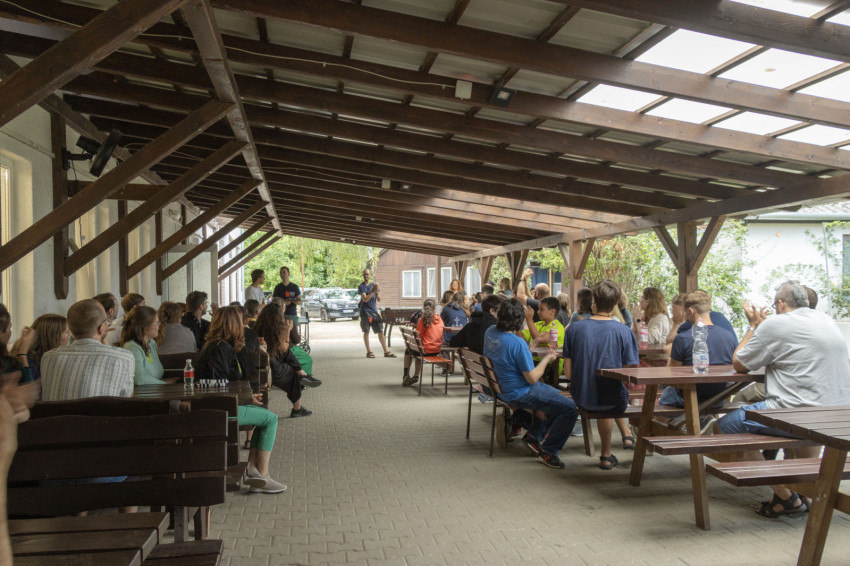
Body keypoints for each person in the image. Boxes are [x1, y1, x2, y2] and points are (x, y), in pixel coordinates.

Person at [717, 281, 850, 517]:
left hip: (797, 412)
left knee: (725, 427)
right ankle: (808, 494)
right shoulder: (825, 320)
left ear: (780, 304)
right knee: (804, 431)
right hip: (834, 412)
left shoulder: (777, 323)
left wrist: (753, 326)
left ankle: (785, 496)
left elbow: (739, 363)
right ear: (805, 302)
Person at [195, 306, 286, 494]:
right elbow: (218, 385)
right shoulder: (219, 349)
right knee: (270, 419)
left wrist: (241, 347)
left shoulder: (222, 346)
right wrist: (246, 398)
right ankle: (262, 475)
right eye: (239, 323)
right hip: (218, 411)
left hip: (220, 405)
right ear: (233, 325)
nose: (243, 327)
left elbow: (245, 372)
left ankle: (253, 470)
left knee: (264, 416)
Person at [484, 298, 577, 469]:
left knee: (557, 400)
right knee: (570, 407)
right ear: (519, 320)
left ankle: (534, 435)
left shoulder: (490, 331)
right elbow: (532, 378)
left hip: (498, 387)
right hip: (519, 391)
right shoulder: (517, 343)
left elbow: (510, 357)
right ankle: (548, 450)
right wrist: (547, 359)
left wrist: (528, 350)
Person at [563, 280, 639, 470]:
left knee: (604, 392)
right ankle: (606, 454)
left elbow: (568, 373)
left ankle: (608, 451)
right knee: (609, 391)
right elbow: (628, 370)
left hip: (581, 394)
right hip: (612, 398)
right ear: (615, 304)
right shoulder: (624, 331)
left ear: (594, 302)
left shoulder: (574, 329)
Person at [41, 299, 135, 400]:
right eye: (106, 321)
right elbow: (127, 397)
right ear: (101, 328)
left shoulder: (48, 357)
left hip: (56, 411)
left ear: (70, 328)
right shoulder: (124, 358)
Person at [661, 291, 738, 413]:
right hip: (719, 398)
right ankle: (702, 420)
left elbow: (671, 375)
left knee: (663, 398)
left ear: (691, 311)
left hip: (688, 397)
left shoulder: (683, 338)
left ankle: (680, 424)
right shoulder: (729, 337)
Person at [255, 304, 321, 418]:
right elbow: (285, 347)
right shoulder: (278, 329)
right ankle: (297, 408)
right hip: (270, 366)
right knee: (293, 374)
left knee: (288, 358)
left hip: (265, 361)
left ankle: (302, 374)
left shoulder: (257, 327)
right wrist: (288, 330)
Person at [11, 314, 69, 383]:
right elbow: (31, 386)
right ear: (53, 336)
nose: (70, 334)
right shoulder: (30, 360)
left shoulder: (52, 357)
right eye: (67, 332)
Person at [119, 306, 169, 386]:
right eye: (156, 323)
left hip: (154, 390)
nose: (159, 326)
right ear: (146, 330)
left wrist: (166, 381)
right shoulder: (132, 347)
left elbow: (154, 375)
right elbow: (139, 379)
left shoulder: (151, 343)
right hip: (141, 393)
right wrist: (165, 383)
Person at [402, 299, 444, 386]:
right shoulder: (440, 319)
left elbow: (418, 337)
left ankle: (406, 374)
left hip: (424, 351)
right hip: (437, 350)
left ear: (424, 308)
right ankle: (416, 375)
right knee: (419, 350)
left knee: (409, 350)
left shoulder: (422, 320)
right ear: (434, 308)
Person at [522, 296, 565, 375]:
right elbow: (521, 337)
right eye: (538, 309)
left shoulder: (557, 326)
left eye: (541, 309)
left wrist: (529, 320)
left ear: (552, 312)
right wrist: (517, 321)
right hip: (533, 361)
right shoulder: (538, 324)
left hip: (549, 364)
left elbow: (539, 339)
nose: (538, 312)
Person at [357, 268, 395, 359]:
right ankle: (369, 352)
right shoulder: (361, 287)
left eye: (367, 274)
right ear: (363, 276)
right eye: (364, 274)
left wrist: (376, 291)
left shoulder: (373, 285)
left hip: (374, 312)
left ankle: (386, 352)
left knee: (380, 331)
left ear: (370, 275)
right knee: (366, 331)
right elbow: (365, 299)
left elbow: (379, 299)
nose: (366, 276)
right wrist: (373, 291)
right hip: (365, 312)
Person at [636, 287, 671, 366]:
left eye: (642, 298)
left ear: (648, 301)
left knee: (628, 365)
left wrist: (638, 321)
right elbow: (633, 339)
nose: (640, 301)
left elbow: (648, 340)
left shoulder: (660, 318)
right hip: (645, 358)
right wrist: (636, 324)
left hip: (657, 362)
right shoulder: (646, 317)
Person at [0, 305, 33, 385]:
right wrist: (23, 353)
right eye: (9, 328)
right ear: (1, 332)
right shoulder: (9, 365)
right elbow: (29, 388)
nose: (10, 333)